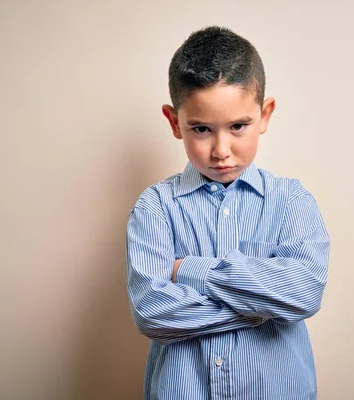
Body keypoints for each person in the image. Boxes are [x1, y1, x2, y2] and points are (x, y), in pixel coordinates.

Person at [126, 25, 330, 400]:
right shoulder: (155, 206)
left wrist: (189, 269)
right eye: (201, 129)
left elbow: (303, 292)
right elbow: (152, 313)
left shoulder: (291, 201)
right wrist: (265, 307)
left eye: (238, 126)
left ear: (265, 114)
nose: (221, 149)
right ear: (175, 123)